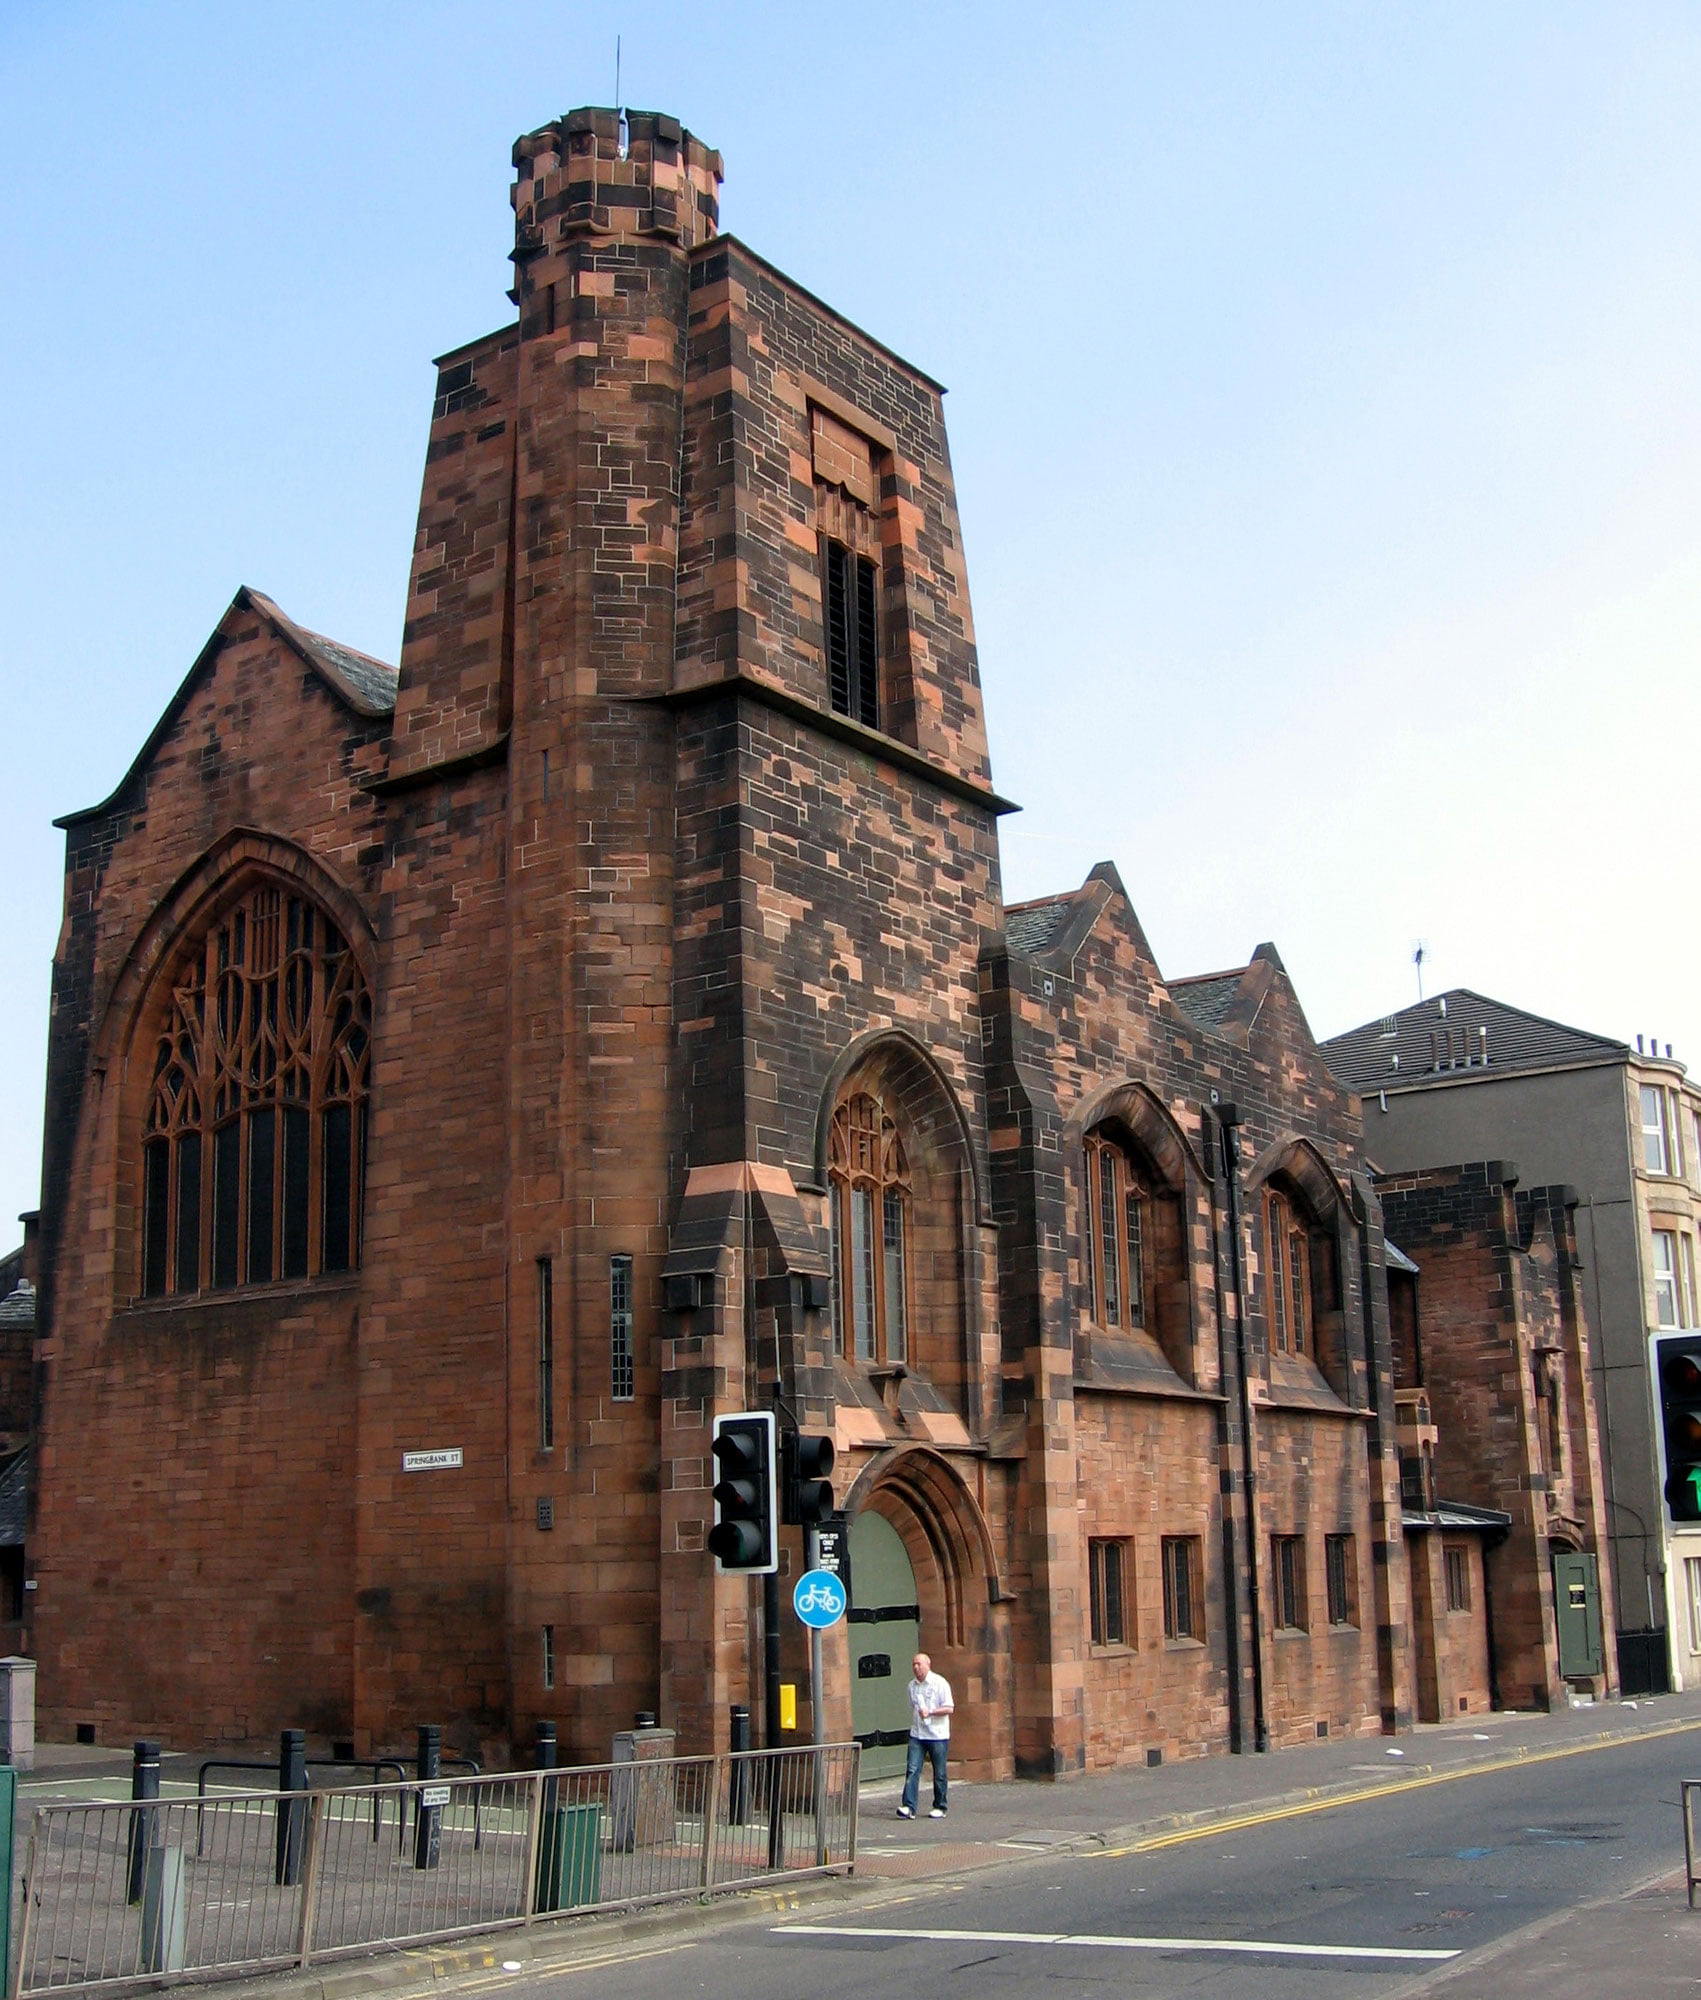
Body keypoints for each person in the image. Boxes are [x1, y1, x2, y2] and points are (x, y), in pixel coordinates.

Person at [897, 1650, 953, 1818]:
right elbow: (912, 1707)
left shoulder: (939, 1683)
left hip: (937, 1735)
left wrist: (931, 1712)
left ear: (928, 1665)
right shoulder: (911, 1686)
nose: (916, 1667)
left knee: (940, 1772)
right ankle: (909, 1806)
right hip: (918, 1734)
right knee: (912, 1769)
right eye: (913, 1664)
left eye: (919, 1664)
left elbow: (949, 1708)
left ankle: (940, 1806)